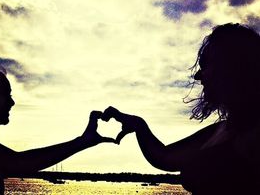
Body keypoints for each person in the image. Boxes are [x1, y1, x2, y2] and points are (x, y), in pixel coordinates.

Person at [102, 23, 260, 194]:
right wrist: (139, 125)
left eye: (206, 65)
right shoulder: (221, 129)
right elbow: (164, 157)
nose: (198, 75)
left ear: (234, 66)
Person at [0, 65, 115, 194]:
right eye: (4, 93)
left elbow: (17, 162)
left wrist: (83, 141)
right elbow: (19, 164)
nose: (12, 102)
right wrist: (82, 142)